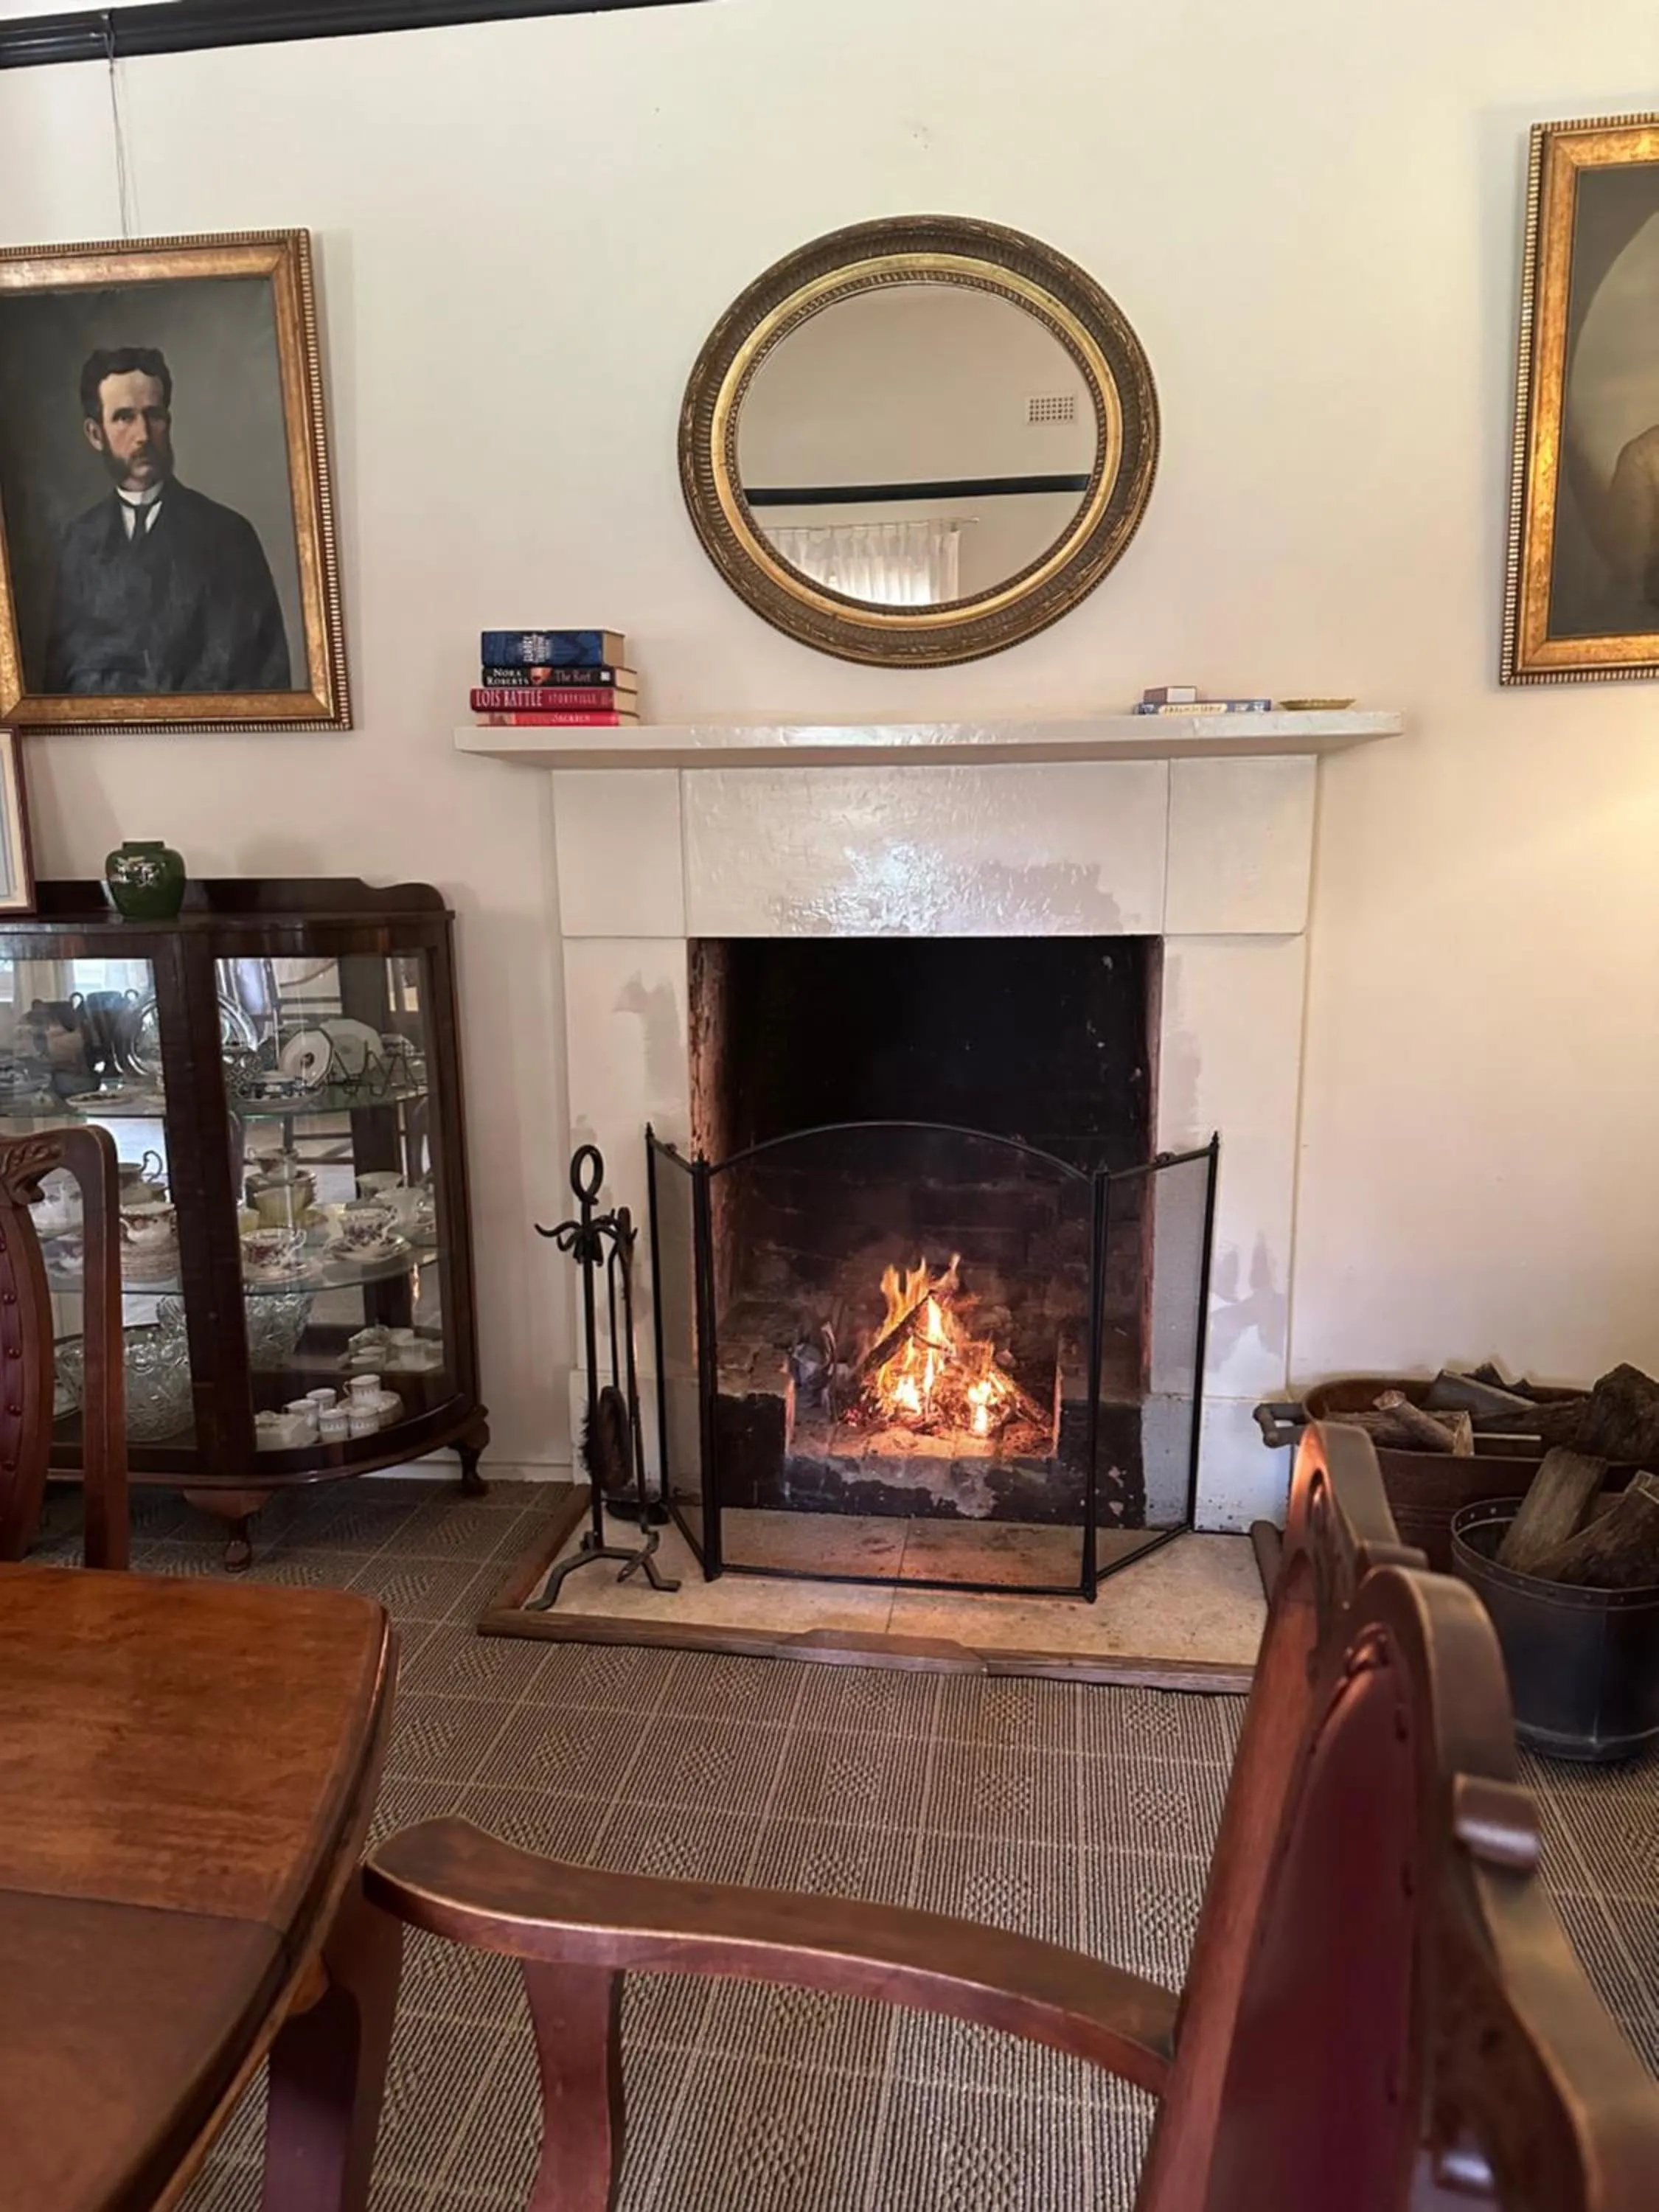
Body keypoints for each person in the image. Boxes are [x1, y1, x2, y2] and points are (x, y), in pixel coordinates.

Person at [44, 346, 291, 694]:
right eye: (124, 417)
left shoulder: (228, 537)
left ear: (168, 421)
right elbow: (59, 683)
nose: (143, 434)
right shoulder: (79, 542)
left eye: (154, 415)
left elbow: (265, 679)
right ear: (95, 434)